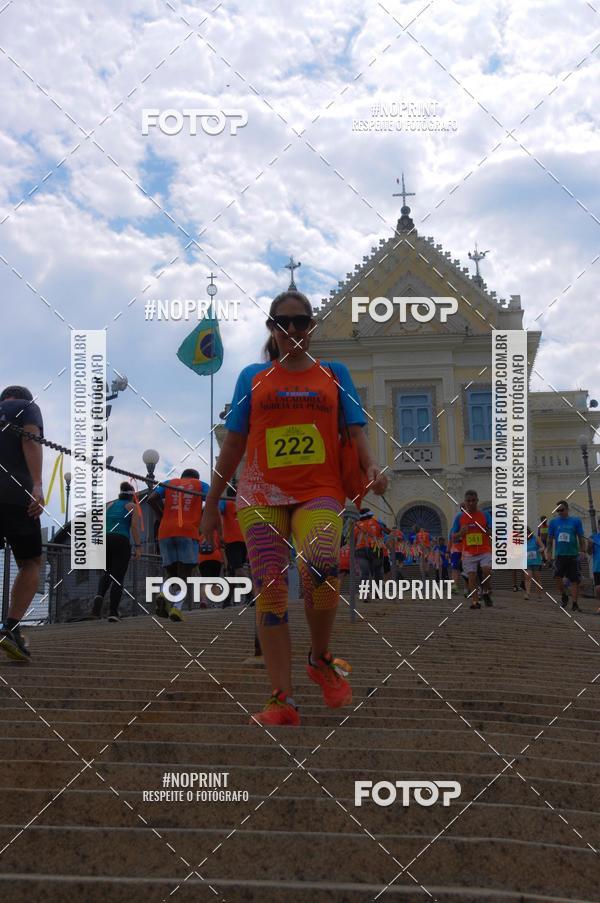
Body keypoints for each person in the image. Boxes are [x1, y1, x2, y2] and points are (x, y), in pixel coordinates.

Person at [200, 289, 387, 726]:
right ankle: (281, 698)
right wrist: (212, 503)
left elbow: (357, 434)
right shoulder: (252, 377)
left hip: (319, 489)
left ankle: (320, 658)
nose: (292, 330)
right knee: (270, 589)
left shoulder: (334, 373)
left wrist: (373, 467)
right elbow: (233, 443)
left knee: (321, 563)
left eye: (300, 321)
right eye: (282, 323)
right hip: (260, 493)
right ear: (271, 328)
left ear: (312, 326)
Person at [0, 386, 45, 661]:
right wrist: (37, 485)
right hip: (16, 494)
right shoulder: (28, 407)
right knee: (30, 562)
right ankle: (11, 627)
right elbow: (30, 440)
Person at [149, 469, 207, 622]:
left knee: (172, 572)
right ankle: (177, 608)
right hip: (188, 531)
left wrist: (162, 516)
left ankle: (163, 593)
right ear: (196, 477)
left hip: (165, 531)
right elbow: (214, 501)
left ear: (182, 477)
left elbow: (151, 498)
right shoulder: (200, 484)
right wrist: (202, 517)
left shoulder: (169, 483)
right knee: (185, 574)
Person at [91, 482, 142, 621]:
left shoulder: (110, 505)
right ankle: (113, 612)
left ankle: (99, 597)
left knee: (107, 572)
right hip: (121, 539)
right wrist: (138, 546)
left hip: (105, 538)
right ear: (132, 496)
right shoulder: (133, 507)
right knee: (118, 578)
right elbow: (134, 527)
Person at [450, 490, 493, 609]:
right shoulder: (460, 517)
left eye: (473, 500)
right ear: (465, 502)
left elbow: (492, 531)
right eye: (468, 501)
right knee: (472, 576)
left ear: (477, 501)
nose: (471, 503)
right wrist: (460, 533)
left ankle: (485, 590)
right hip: (468, 552)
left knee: (486, 569)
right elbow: (453, 536)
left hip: (484, 549)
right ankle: (475, 601)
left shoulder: (485, 515)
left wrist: (488, 531)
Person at [546, 500, 586, 612]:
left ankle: (574, 603)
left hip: (573, 555)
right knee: (557, 577)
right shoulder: (553, 522)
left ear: (567, 509)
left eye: (561, 510)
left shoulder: (576, 521)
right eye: (558, 510)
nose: (559, 512)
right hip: (559, 555)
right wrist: (548, 554)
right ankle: (564, 594)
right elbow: (549, 540)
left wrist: (582, 550)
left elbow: (580, 537)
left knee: (574, 580)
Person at [219, 483, 247, 607]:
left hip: (231, 540)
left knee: (238, 569)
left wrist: (219, 533)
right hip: (244, 541)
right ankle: (227, 601)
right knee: (232, 570)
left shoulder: (225, 502)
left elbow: (217, 511)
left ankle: (251, 594)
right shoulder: (243, 504)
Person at [354, 508, 386, 596]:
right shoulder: (376, 522)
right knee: (377, 571)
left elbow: (352, 541)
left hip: (361, 550)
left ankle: (365, 594)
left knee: (364, 573)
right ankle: (377, 592)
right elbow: (383, 533)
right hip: (375, 549)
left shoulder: (356, 525)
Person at [197, 524, 225, 608]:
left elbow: (197, 549)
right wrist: (224, 562)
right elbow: (222, 548)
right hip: (215, 558)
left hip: (202, 559)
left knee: (205, 581)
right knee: (215, 582)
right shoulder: (217, 533)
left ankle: (204, 601)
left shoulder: (201, 536)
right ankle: (215, 603)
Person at [524, 525, 544, 600]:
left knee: (537, 578)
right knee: (527, 577)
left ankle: (539, 595)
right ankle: (527, 593)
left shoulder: (536, 538)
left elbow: (543, 546)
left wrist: (540, 550)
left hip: (536, 561)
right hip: (527, 562)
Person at [586, 529, 600, 614]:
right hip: (597, 567)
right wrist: (590, 545)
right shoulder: (594, 537)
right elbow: (589, 552)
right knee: (598, 589)